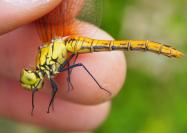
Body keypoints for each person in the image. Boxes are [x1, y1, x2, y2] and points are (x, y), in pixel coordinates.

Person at [0, 0, 126, 132]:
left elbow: (56, 86)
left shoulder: (46, 66)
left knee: (79, 66)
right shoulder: (44, 60)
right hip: (65, 44)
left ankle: (100, 86)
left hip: (68, 43)